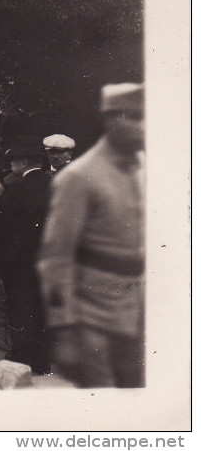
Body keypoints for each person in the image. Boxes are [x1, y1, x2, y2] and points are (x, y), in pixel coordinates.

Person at [37, 83, 144, 388]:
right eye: (51, 155)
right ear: (110, 120)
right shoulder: (79, 177)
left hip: (137, 306)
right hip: (95, 310)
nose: (55, 159)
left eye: (60, 154)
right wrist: (66, 328)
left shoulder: (143, 168)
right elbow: (55, 257)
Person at [0, 139, 51, 375]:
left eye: (13, 160)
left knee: (20, 307)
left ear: (24, 162)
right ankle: (42, 360)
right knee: (40, 306)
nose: (11, 165)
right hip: (44, 257)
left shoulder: (18, 189)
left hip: (20, 260)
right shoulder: (51, 184)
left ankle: (21, 355)